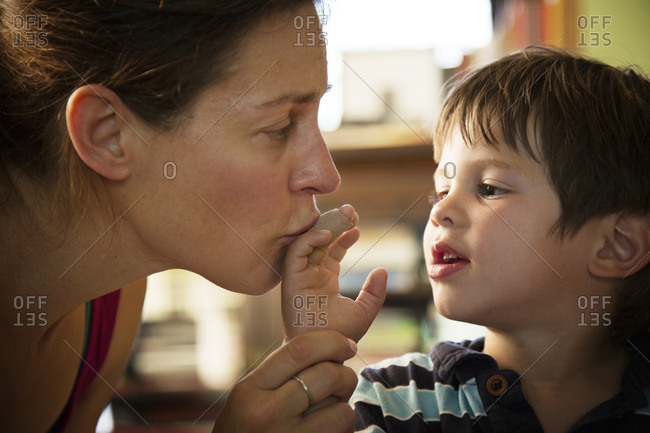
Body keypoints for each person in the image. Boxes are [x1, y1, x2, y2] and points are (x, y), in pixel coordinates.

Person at [0, 1, 387, 432]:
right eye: (278, 126)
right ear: (107, 134)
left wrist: (305, 371)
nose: (326, 176)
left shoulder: (113, 298)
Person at [282, 47, 650, 432]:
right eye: (442, 191)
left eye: (489, 188)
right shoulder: (392, 398)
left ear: (616, 245)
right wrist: (312, 353)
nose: (439, 212)